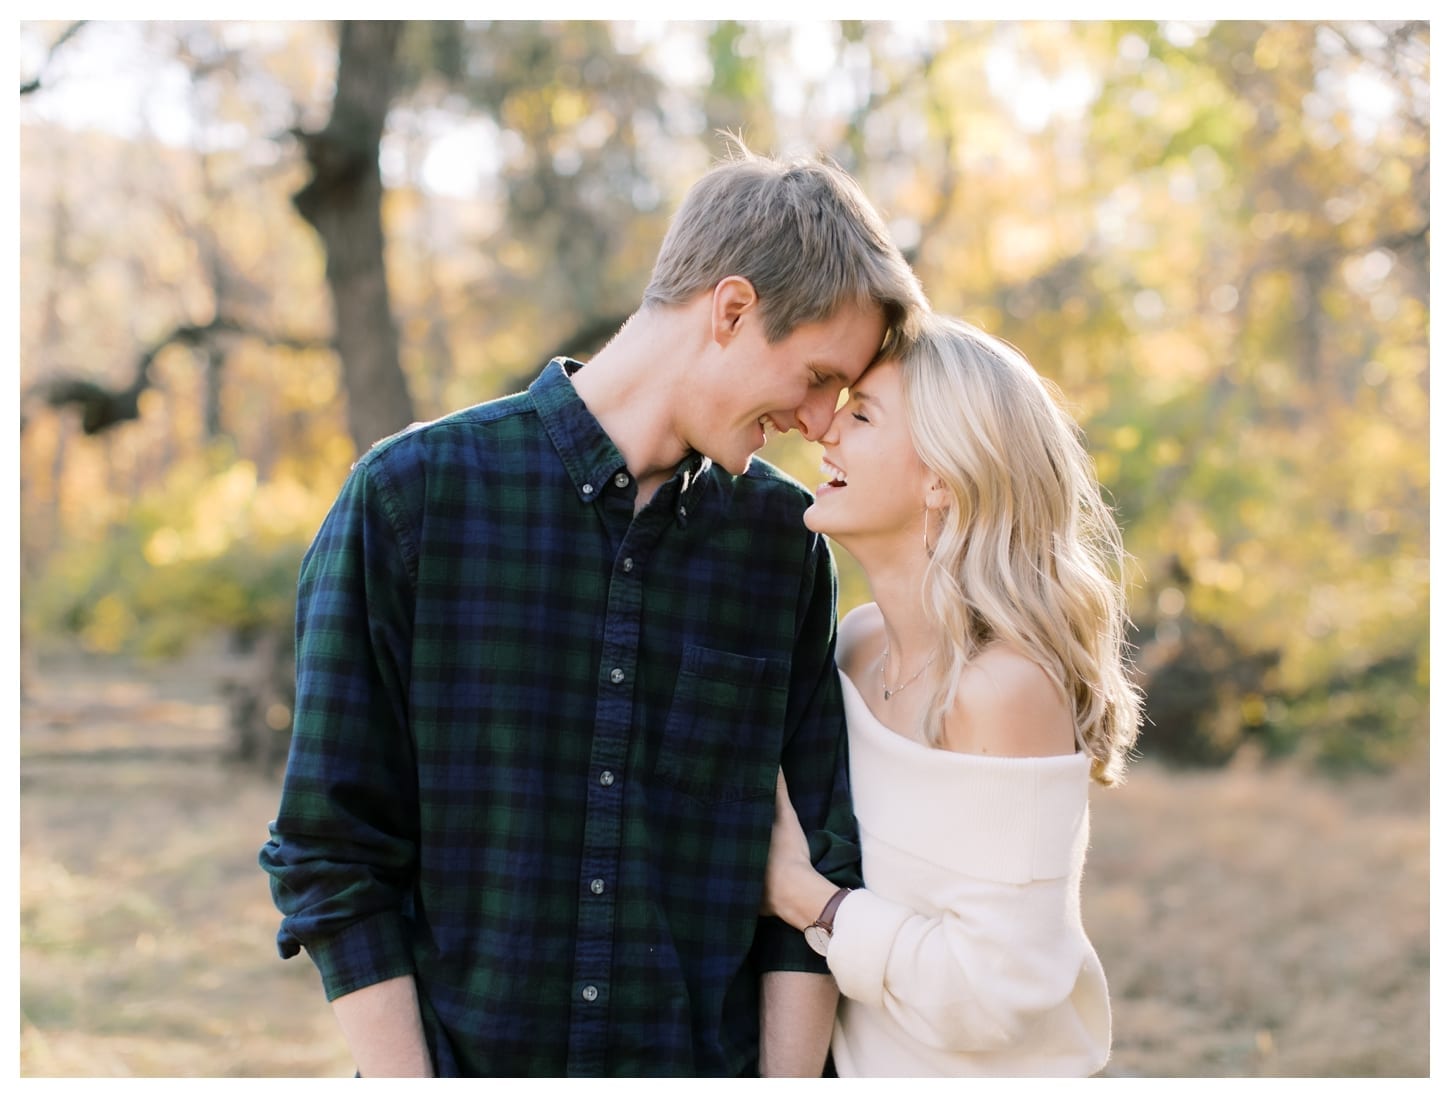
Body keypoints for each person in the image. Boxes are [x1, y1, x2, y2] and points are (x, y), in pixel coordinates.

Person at [258, 141, 929, 1078]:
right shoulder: (412, 500)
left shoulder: (784, 544)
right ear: (731, 311)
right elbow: (330, 853)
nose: (821, 423)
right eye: (818, 376)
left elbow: (816, 867)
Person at [761, 314, 1143, 1076]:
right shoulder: (856, 643)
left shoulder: (1005, 688)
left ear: (942, 475)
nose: (823, 434)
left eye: (861, 415)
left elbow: (1001, 992)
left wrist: (810, 901)